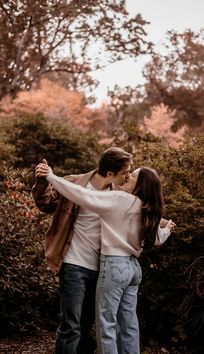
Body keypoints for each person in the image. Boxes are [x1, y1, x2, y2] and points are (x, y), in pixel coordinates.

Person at [36, 163, 175, 354]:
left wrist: (51, 176)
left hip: (115, 267)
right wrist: (167, 229)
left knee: (106, 324)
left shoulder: (120, 199)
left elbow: (83, 195)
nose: (128, 177)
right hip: (133, 270)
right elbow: (158, 239)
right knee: (129, 324)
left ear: (140, 185)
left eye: (133, 176)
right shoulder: (146, 208)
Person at [32, 147, 133, 354]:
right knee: (71, 326)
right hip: (73, 263)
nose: (129, 176)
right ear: (110, 173)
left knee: (87, 326)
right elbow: (46, 204)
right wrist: (43, 181)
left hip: (103, 268)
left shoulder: (119, 194)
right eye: (125, 172)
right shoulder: (74, 183)